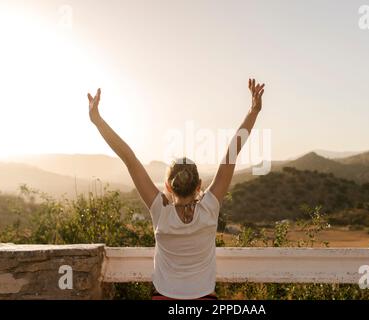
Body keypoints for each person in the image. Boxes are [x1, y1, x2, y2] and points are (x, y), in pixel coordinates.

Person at [87, 78, 265, 299]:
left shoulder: (160, 210)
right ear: (199, 186)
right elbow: (232, 152)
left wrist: (97, 120)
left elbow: (129, 159)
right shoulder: (209, 208)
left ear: (168, 187)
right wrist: (253, 111)